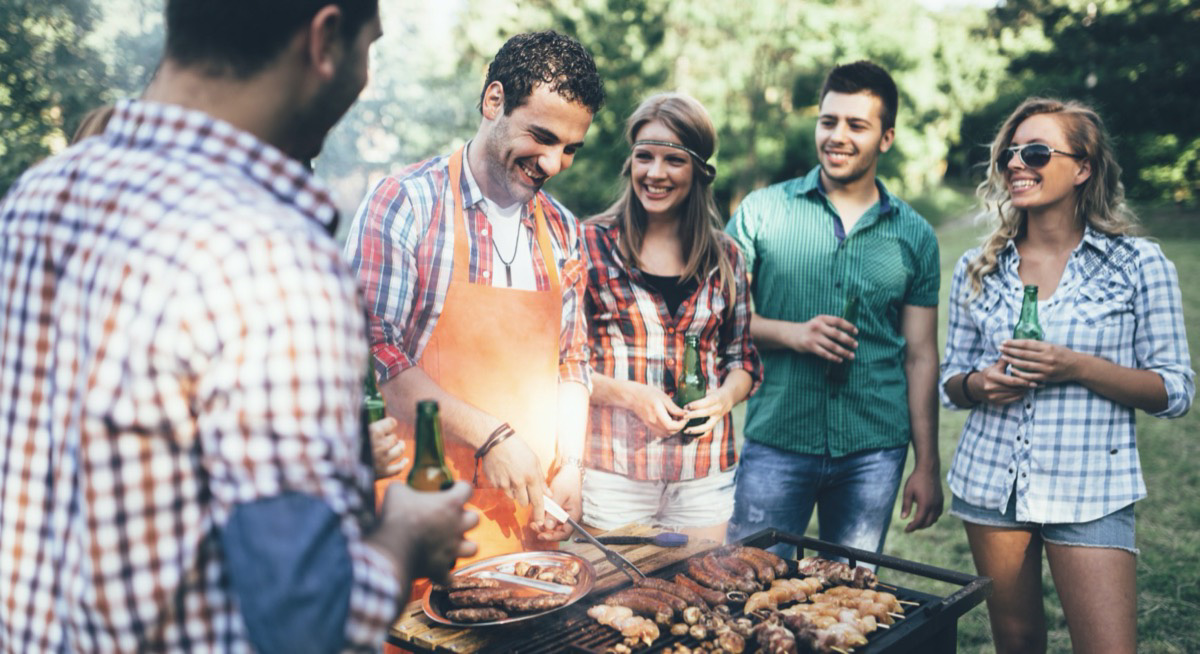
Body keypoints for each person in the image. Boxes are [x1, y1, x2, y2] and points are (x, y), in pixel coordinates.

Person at [0, 1, 477, 651]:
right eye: (371, 48)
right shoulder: (272, 257)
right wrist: (405, 536)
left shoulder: (34, 199)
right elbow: (306, 620)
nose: (364, 77)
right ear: (326, 38)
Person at [941, 97, 1194, 654]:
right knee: (1018, 641)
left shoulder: (1137, 264)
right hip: (990, 486)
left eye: (1035, 152)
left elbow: (1174, 390)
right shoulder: (978, 267)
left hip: (1091, 489)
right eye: (1010, 153)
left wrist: (1075, 366)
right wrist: (979, 384)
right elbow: (951, 381)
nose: (1016, 163)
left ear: (1083, 168)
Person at [344, 31, 605, 563]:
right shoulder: (407, 204)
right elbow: (372, 355)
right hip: (420, 516)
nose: (553, 164)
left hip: (526, 519)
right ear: (494, 101)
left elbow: (572, 362)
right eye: (541, 136)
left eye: (570, 149)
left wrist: (572, 466)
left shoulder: (564, 231)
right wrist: (491, 436)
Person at [725, 61, 944, 557]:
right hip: (779, 438)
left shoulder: (916, 235)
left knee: (847, 606)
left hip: (874, 449)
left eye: (856, 125)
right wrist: (793, 334)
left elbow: (921, 356)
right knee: (749, 589)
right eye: (829, 122)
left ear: (886, 137)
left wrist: (926, 464)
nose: (837, 136)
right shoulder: (761, 212)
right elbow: (722, 320)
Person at [580, 92, 761, 542]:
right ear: (630, 163)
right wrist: (628, 395)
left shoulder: (727, 257)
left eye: (673, 160)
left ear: (699, 170)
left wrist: (722, 400)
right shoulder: (589, 244)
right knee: (614, 605)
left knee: (699, 602)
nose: (655, 173)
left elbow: (744, 360)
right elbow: (559, 364)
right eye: (644, 156)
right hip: (614, 469)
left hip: (702, 471)